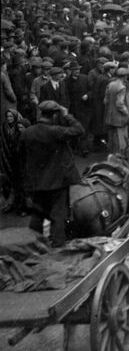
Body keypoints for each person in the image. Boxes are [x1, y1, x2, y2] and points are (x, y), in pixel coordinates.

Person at [21, 101, 84, 247]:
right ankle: (58, 249)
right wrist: (67, 115)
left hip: (36, 183)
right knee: (58, 217)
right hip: (56, 183)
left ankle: (31, 246)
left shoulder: (27, 133)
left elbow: (20, 158)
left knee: (37, 216)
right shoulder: (56, 132)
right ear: (55, 115)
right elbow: (79, 130)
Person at [1, 108, 30, 214]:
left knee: (22, 186)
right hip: (10, 159)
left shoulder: (22, 133)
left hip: (21, 163)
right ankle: (13, 204)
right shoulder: (4, 128)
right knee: (12, 183)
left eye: (11, 116)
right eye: (7, 116)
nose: (9, 118)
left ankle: (23, 207)